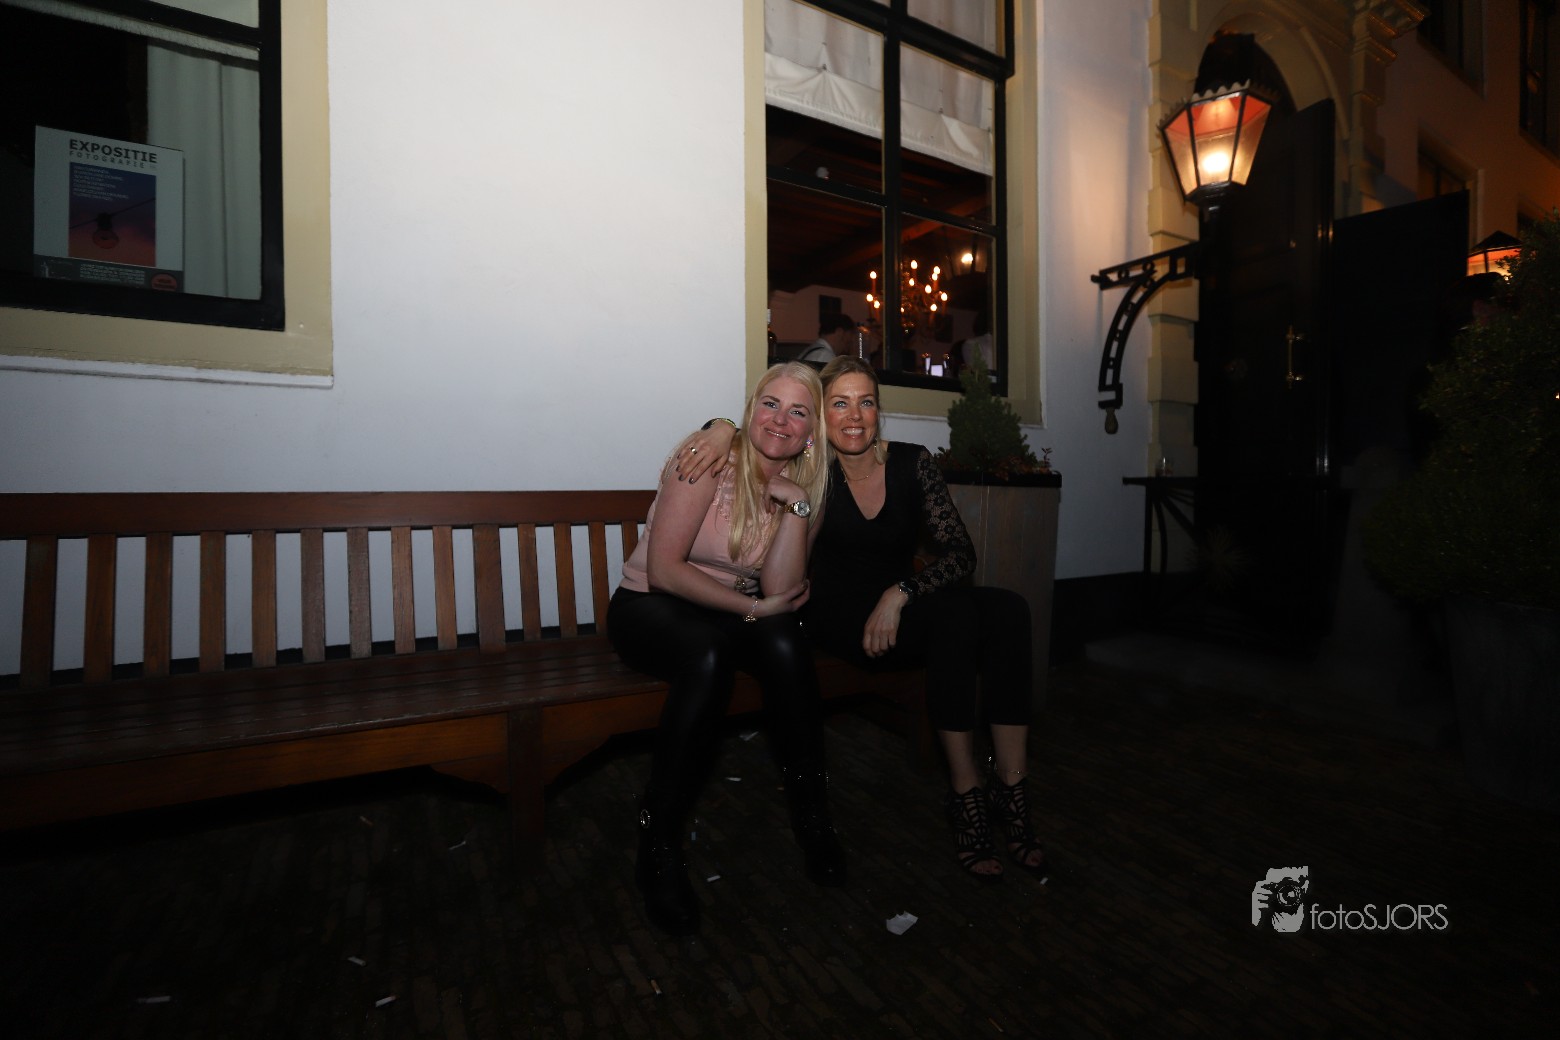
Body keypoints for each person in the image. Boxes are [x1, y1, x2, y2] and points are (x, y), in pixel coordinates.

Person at [676, 356, 1046, 882]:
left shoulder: (912, 462)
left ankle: (1011, 785)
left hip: (900, 607)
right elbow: (763, 432)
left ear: (878, 411)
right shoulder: (811, 469)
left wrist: (900, 592)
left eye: (866, 402)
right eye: (840, 403)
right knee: (957, 616)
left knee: (1009, 608)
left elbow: (961, 554)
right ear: (821, 416)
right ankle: (965, 790)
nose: (855, 416)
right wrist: (720, 426)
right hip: (837, 618)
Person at [607, 362, 844, 936]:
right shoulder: (709, 459)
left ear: (812, 432)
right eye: (770, 404)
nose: (780, 420)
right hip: (649, 604)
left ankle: (812, 814)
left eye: (798, 411)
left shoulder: (807, 488)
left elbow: (781, 591)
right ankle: (658, 839)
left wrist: (796, 507)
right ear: (750, 410)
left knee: (786, 642)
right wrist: (752, 610)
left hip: (725, 611)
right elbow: (664, 570)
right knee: (709, 655)